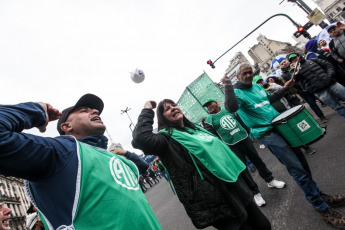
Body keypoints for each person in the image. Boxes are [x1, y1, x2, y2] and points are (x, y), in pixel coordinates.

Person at [0, 94, 161, 230]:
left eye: (94, 109)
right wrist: (38, 111)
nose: (95, 111)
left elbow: (142, 166)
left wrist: (124, 152)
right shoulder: (62, 152)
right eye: (84, 111)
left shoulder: (112, 157)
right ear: (66, 126)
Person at [223, 63, 345, 229]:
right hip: (268, 134)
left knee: (302, 163)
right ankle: (321, 206)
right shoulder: (236, 92)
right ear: (237, 76)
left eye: (250, 72)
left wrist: (285, 88)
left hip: (282, 127)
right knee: (296, 168)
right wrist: (227, 85)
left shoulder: (258, 87)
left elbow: (268, 100)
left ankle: (318, 195)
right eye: (244, 73)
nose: (249, 75)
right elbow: (231, 108)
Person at [132, 99, 271, 230]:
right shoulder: (165, 140)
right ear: (162, 118)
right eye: (167, 109)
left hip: (235, 184)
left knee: (263, 226)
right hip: (215, 196)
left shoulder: (196, 129)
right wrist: (147, 109)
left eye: (174, 105)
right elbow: (141, 138)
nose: (173, 108)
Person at [202, 98, 286, 207]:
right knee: (244, 170)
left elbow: (241, 122)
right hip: (232, 146)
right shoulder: (209, 121)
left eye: (210, 104)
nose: (209, 107)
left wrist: (251, 134)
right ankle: (255, 193)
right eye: (207, 106)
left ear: (216, 103)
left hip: (244, 139)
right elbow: (214, 138)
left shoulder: (229, 110)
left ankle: (270, 180)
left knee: (258, 161)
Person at [287, 52, 345, 119]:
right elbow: (296, 81)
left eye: (295, 57)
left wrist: (330, 75)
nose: (294, 59)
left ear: (298, 56)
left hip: (331, 84)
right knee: (337, 107)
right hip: (319, 91)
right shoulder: (294, 70)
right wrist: (295, 71)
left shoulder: (312, 60)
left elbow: (327, 65)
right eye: (292, 59)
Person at [280, 58, 328, 123]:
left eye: (284, 62)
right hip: (301, 89)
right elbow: (290, 84)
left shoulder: (296, 65)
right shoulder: (284, 75)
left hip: (309, 85)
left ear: (287, 61)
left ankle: (324, 103)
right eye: (282, 64)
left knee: (320, 96)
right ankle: (321, 116)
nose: (284, 64)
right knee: (312, 103)